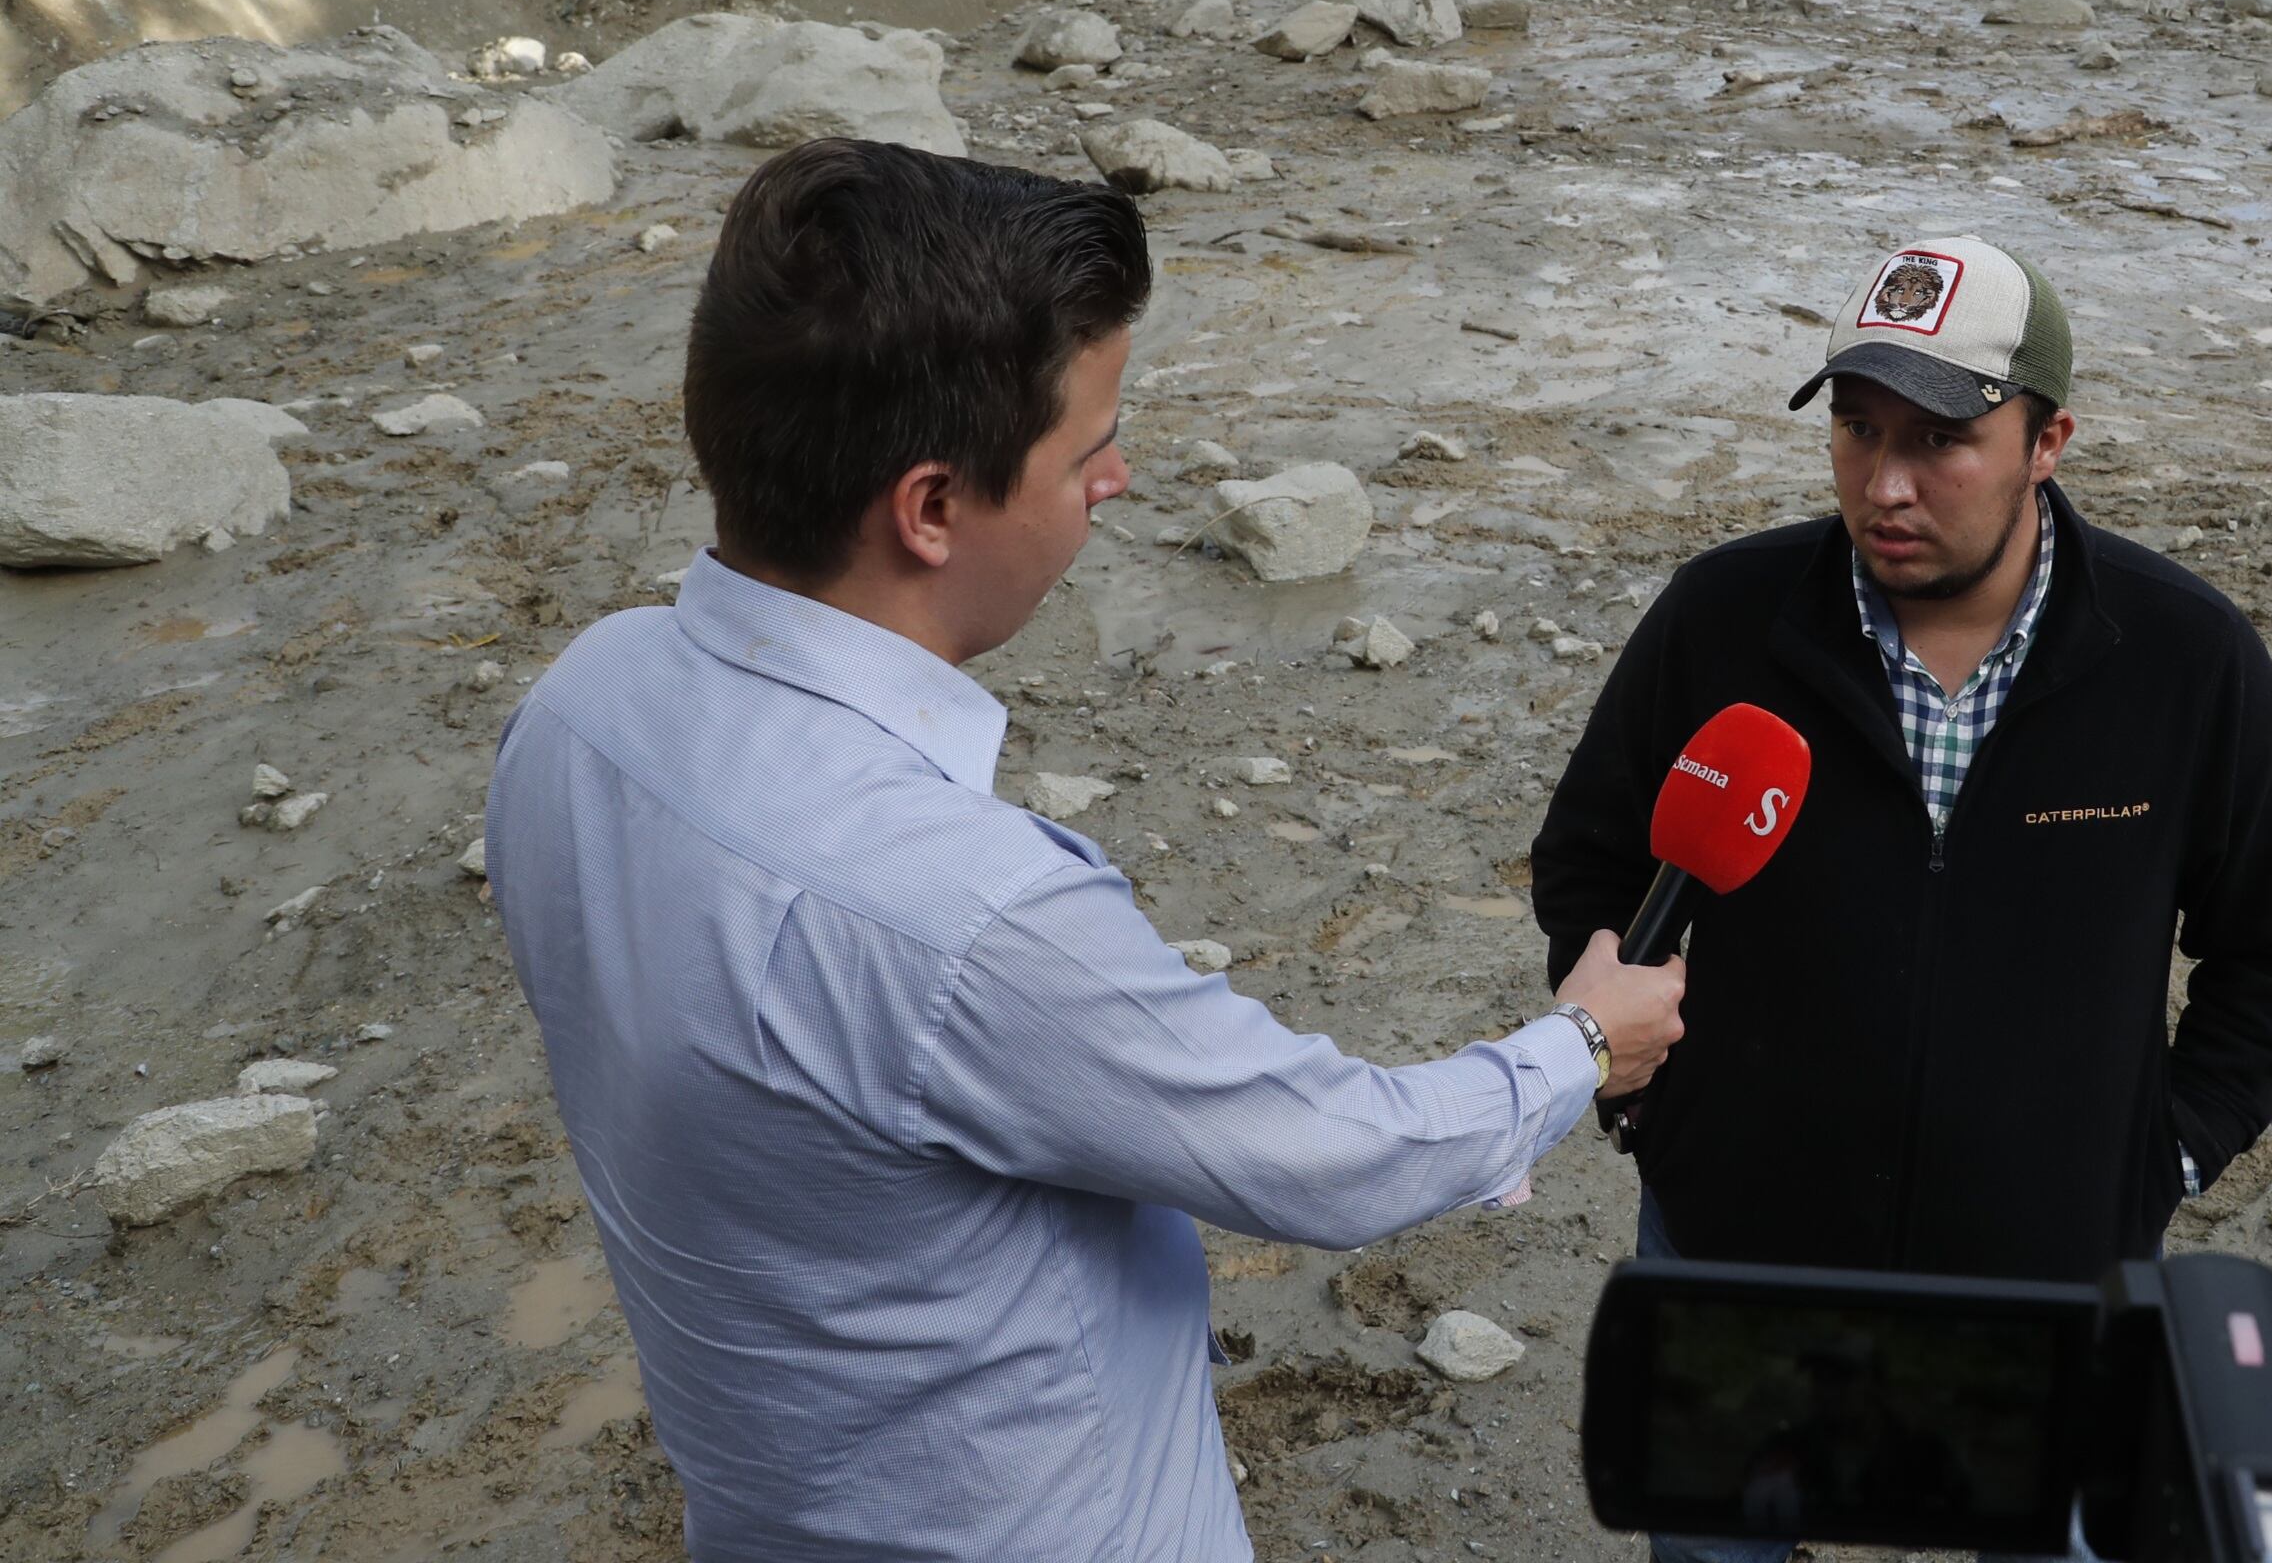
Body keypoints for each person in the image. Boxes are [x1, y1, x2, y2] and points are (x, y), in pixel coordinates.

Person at [489, 140, 1686, 1563]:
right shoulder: (967, 918)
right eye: (1083, 447)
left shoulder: (581, 706)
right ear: (930, 509)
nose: (1118, 480)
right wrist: (1574, 1047)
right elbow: (1325, 1155)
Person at [1531, 233, 2272, 1275]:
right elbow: (1589, 866)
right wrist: (1656, 1107)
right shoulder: (1721, 618)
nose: (1884, 485)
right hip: (1732, 1252)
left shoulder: (2185, 657)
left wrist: (2166, 1153)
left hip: (2045, 1280)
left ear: (2045, 440)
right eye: (1856, 428)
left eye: (1938, 438)